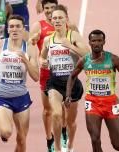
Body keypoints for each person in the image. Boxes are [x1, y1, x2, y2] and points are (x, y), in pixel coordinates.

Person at [67, 29, 119, 152]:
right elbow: (72, 76)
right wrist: (68, 96)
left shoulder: (113, 59)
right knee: (95, 139)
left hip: (110, 103)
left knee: (118, 146)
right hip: (92, 103)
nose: (97, 43)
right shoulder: (84, 60)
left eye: (99, 40)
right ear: (90, 42)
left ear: (104, 42)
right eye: (94, 41)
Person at [0, 15, 39, 152]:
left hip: (21, 97)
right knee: (6, 132)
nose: (15, 29)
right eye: (11, 26)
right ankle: (3, 130)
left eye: (18, 26)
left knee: (22, 139)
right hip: (2, 97)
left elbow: (36, 77)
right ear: (8, 29)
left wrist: (26, 61)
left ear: (23, 29)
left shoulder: (29, 48)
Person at [30, 1, 80, 151]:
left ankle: (63, 133)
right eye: (46, 8)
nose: (49, 11)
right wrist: (33, 42)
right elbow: (32, 44)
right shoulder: (38, 26)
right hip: (47, 74)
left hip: (66, 74)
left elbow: (79, 44)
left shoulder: (68, 26)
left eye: (52, 8)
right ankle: (49, 140)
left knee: (64, 109)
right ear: (43, 9)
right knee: (48, 110)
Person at [40, 5, 89, 152]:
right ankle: (57, 147)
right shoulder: (48, 40)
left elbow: (87, 55)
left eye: (60, 17)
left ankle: (71, 146)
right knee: (56, 114)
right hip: (55, 82)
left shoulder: (73, 36)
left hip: (72, 83)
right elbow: (42, 57)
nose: (57, 20)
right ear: (51, 20)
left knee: (70, 122)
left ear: (66, 19)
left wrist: (70, 46)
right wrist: (42, 62)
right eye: (54, 18)